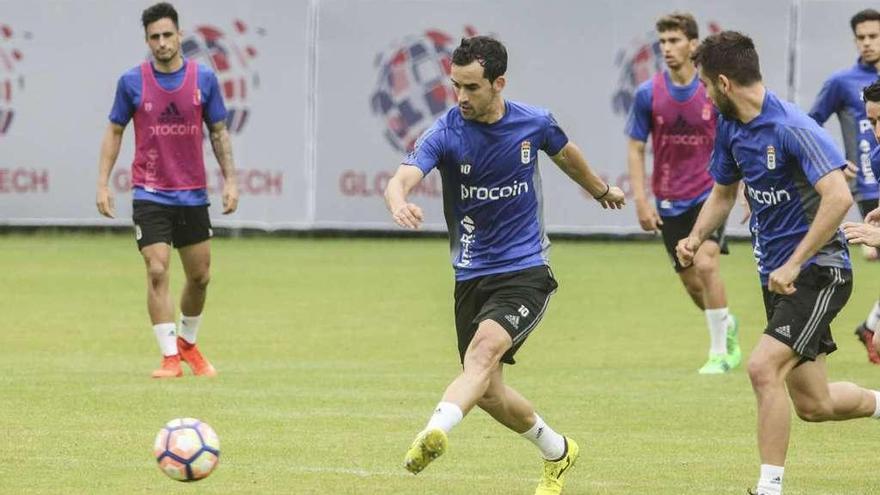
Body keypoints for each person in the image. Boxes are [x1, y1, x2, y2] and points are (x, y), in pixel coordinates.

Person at [384, 36, 624, 495]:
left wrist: (599, 189)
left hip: (526, 271)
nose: (461, 98)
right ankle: (558, 451)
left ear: (499, 83)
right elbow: (402, 177)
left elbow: (566, 154)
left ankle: (433, 431)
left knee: (480, 355)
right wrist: (399, 200)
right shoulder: (446, 132)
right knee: (489, 390)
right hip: (471, 276)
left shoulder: (533, 123)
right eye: (455, 86)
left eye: (471, 87)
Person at [678, 31, 880, 495]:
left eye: (706, 86)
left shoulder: (793, 127)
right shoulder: (731, 128)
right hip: (780, 279)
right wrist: (695, 236)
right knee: (815, 404)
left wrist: (793, 263)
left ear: (724, 83)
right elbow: (724, 193)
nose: (705, 96)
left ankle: (768, 489)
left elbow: (837, 197)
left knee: (762, 368)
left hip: (819, 271)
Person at [95, 2, 239, 378]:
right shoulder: (132, 82)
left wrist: (231, 181)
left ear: (180, 35)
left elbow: (219, 132)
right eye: (154, 37)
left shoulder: (203, 79)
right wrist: (103, 183)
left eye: (167, 35)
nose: (161, 43)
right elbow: (114, 131)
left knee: (200, 276)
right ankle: (168, 357)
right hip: (150, 192)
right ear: (147, 40)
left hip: (192, 193)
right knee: (157, 269)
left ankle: (188, 344)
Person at [625, 12, 740, 374]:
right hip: (669, 198)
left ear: (693, 44)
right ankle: (726, 324)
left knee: (706, 263)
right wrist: (642, 200)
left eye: (675, 41)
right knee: (693, 285)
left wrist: (748, 188)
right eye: (662, 42)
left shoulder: (712, 91)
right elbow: (635, 147)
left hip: (711, 193)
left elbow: (737, 142)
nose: (667, 49)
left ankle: (721, 352)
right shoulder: (648, 93)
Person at [808, 8, 880, 363]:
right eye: (861, 37)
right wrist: (835, 160)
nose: (867, 43)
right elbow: (808, 126)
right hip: (869, 185)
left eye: (873, 35)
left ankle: (872, 323)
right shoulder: (842, 82)